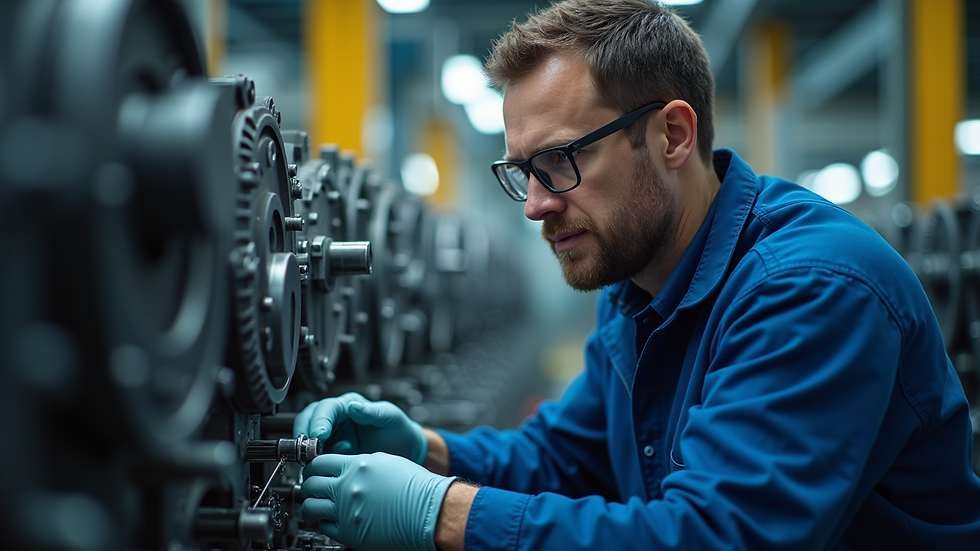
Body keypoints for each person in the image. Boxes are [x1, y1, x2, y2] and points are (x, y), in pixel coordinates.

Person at [292, 1, 980, 549]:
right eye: (520, 172)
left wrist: (440, 513)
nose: (535, 204)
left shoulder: (812, 288)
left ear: (672, 135)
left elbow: (715, 535)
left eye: (560, 160)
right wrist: (427, 449)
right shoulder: (636, 283)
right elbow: (566, 455)